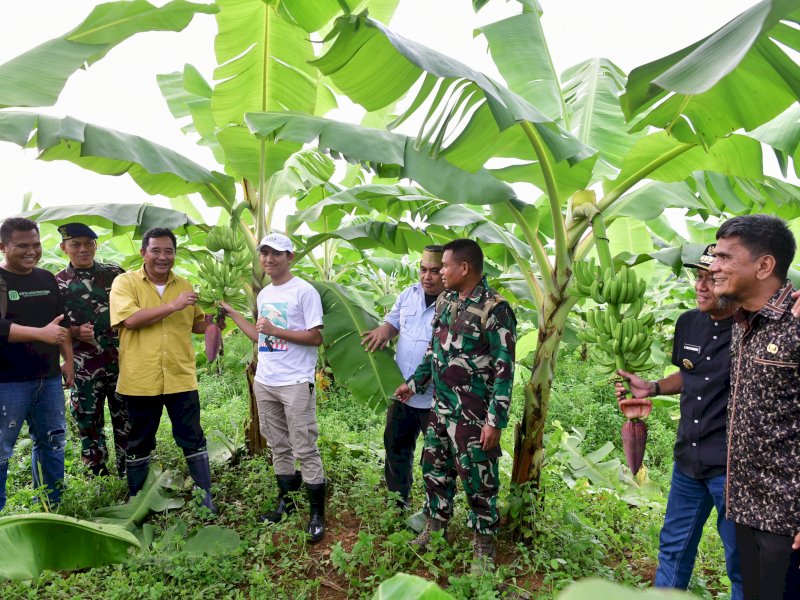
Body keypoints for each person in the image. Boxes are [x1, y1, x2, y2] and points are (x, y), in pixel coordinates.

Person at [615, 244, 742, 598]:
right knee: (673, 549)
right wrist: (653, 387)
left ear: (729, 282)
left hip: (731, 468)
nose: (701, 286)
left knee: (741, 564)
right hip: (688, 459)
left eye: (711, 279)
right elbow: (689, 374)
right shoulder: (689, 323)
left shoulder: (750, 329)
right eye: (698, 277)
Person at [394, 238, 516, 575]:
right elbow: (435, 351)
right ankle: (436, 526)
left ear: (464, 268)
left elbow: (505, 369)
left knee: (478, 479)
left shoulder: (495, 309)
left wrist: (495, 420)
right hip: (441, 406)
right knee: (434, 467)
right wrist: (416, 383)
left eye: (445, 266)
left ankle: (484, 543)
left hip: (474, 415)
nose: (440, 271)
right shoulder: (447, 301)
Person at [708, 214, 800, 600]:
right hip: (744, 505)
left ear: (764, 265)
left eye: (726, 258)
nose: (714, 266)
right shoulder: (743, 322)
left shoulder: (795, 323)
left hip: (786, 517)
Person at [220, 233, 326, 542]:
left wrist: (277, 329)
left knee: (304, 446)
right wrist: (235, 314)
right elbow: (260, 337)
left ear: (290, 257)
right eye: (264, 253)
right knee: (278, 445)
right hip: (266, 381)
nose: (269, 259)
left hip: (295, 381)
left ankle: (316, 512)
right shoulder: (265, 293)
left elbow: (316, 337)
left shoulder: (304, 292)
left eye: (276, 253)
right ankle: (286, 503)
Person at [109, 227, 217, 513]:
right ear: (144, 252)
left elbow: (195, 325)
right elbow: (130, 320)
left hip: (180, 376)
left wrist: (214, 321)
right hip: (140, 378)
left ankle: (205, 495)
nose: (162, 256)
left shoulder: (185, 285)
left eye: (168, 251)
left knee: (192, 436)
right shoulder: (125, 283)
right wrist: (173, 305)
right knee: (139, 440)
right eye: (155, 250)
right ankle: (136, 499)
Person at [361, 245, 445, 509]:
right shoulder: (409, 295)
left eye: (435, 270)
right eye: (423, 269)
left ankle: (433, 512)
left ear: (447, 270)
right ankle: (399, 503)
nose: (426, 276)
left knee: (435, 459)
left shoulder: (456, 305)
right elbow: (393, 322)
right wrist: (383, 332)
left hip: (435, 398)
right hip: (401, 391)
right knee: (396, 447)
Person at [0, 217, 73, 511]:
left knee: (53, 443)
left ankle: (50, 506)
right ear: (3, 246)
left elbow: (61, 322)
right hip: (8, 382)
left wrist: (68, 359)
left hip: (49, 379)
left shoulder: (46, 278)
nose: (31, 251)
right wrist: (41, 333)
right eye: (22, 246)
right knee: (2, 451)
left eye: (36, 244)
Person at [55, 223, 129, 478]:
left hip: (121, 364)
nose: (83, 249)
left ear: (96, 245)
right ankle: (97, 476)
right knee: (88, 424)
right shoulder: (58, 283)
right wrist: (75, 332)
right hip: (84, 368)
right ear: (64, 248)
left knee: (126, 421)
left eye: (89, 243)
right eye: (76, 244)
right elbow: (54, 325)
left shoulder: (116, 274)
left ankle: (130, 472)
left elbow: (133, 310)